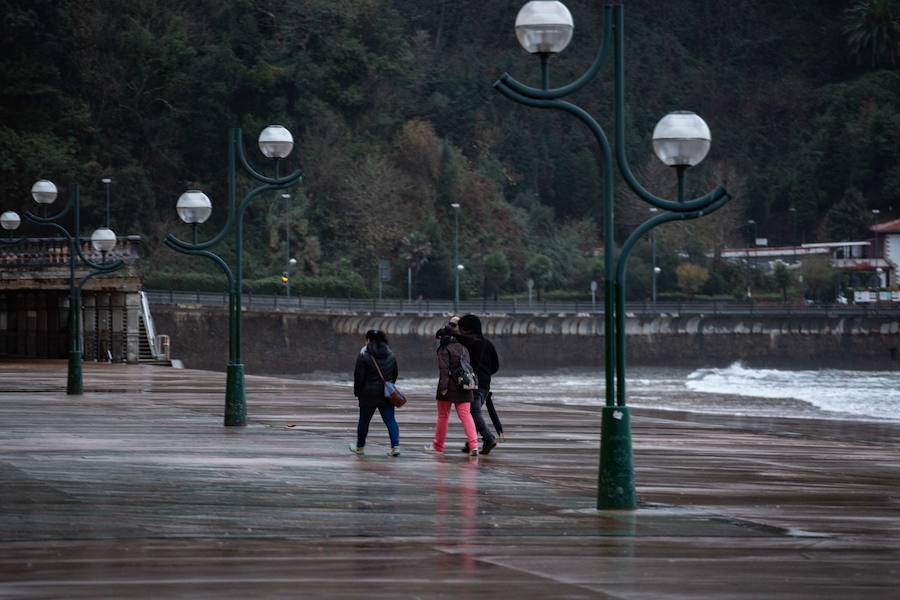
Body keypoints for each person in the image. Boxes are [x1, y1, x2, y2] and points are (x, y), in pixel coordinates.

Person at [425, 327, 479, 457]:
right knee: (466, 415)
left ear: (443, 338)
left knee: (443, 416)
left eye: (438, 339)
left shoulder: (444, 349)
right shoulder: (463, 347)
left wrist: (443, 387)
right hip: (465, 385)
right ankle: (474, 445)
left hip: (449, 387)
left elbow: (444, 370)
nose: (438, 342)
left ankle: (438, 446)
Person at [350, 330, 400, 456]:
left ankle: (360, 447)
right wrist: (389, 386)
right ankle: (395, 447)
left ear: (368, 340)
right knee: (390, 420)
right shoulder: (391, 355)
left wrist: (357, 392)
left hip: (368, 394)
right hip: (386, 394)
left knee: (364, 420)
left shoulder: (364, 355)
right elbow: (394, 374)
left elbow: (359, 377)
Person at [456, 314, 500, 454]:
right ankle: (471, 442)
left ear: (469, 329)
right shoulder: (488, 343)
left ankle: (488, 438)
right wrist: (486, 375)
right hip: (485, 384)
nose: (461, 331)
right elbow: (495, 366)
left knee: (473, 412)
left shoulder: (472, 343)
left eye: (462, 328)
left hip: (474, 384)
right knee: (473, 413)